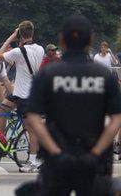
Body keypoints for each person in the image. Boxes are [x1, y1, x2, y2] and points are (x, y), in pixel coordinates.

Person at [25, 15, 121, 195]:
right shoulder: (105, 76)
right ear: (90, 40)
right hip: (94, 158)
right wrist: (96, 153)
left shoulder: (48, 74)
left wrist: (55, 153)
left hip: (58, 157)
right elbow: (116, 119)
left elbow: (33, 117)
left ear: (62, 40)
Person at [0, 20, 44, 173]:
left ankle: (33, 161)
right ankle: (2, 144)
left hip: (26, 95)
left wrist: (11, 37)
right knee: (1, 108)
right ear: (32, 33)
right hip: (19, 93)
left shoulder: (18, 52)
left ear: (20, 35)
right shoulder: (40, 49)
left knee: (30, 129)